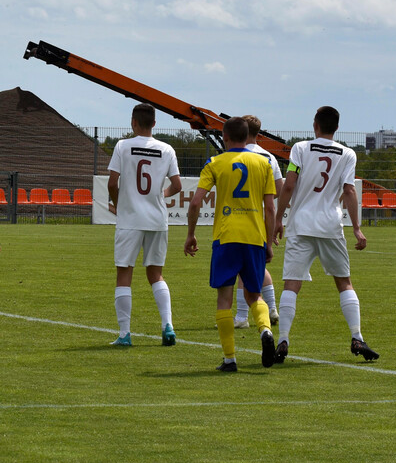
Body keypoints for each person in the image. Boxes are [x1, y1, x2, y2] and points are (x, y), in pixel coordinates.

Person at [272, 106, 379, 363]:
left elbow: (289, 185)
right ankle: (357, 337)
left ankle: (283, 339)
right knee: (344, 282)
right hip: (331, 225)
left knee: (291, 284)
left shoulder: (300, 148)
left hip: (301, 225)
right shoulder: (347, 153)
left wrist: (278, 218)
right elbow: (350, 191)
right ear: (337, 128)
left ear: (315, 125)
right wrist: (356, 227)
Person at [185, 116, 276, 372]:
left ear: (224, 137)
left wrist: (191, 234)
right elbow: (270, 208)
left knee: (224, 299)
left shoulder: (215, 163)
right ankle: (266, 331)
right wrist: (268, 242)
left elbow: (195, 203)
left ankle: (229, 359)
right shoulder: (264, 162)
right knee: (254, 294)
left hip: (226, 237)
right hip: (254, 237)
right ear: (248, 137)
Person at [105, 103, 183, 348]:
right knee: (156, 274)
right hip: (157, 219)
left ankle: (125, 334)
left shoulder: (123, 146)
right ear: (155, 124)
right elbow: (178, 186)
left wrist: (119, 206)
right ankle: (167, 325)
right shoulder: (167, 149)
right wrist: (160, 194)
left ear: (133, 123)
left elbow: (111, 183)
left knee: (124, 274)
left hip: (130, 220)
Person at [233, 115, 282, 328]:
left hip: (242, 218)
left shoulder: (235, 156)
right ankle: (271, 308)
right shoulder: (269, 157)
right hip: (264, 217)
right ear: (259, 133)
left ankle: (242, 317)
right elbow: (279, 189)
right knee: (257, 266)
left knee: (241, 267)